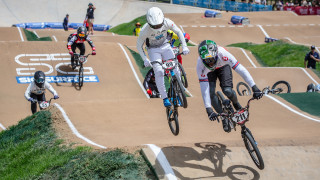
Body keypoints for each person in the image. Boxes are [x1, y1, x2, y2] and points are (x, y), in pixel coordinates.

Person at [196, 40, 263, 132]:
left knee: (227, 90)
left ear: (216, 53)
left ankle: (236, 103)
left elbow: (240, 69)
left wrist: (254, 87)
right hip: (209, 72)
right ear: (201, 58)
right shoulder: (200, 65)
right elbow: (204, 89)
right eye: (207, 61)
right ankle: (223, 117)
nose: (210, 63)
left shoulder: (223, 54)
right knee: (211, 93)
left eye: (211, 59)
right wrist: (208, 109)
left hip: (223, 66)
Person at [136, 7, 189, 107]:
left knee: (176, 69)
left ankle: (178, 92)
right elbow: (138, 45)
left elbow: (178, 32)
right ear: (149, 23)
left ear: (163, 19)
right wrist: (145, 59)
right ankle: (165, 98)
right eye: (154, 26)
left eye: (159, 25)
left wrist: (185, 46)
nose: (157, 28)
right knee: (159, 72)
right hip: (153, 49)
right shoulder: (144, 30)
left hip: (165, 45)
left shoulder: (167, 22)